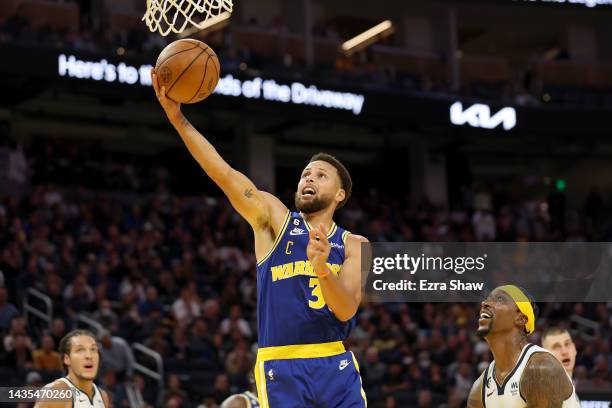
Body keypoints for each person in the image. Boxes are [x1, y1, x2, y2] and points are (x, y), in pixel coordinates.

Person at [152, 70, 367, 407]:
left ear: (340, 194)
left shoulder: (355, 244)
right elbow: (223, 173)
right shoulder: (274, 219)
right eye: (305, 174)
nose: (309, 178)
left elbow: (345, 310)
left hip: (333, 364)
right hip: (279, 365)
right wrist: (178, 119)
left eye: (321, 175)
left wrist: (323, 269)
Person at [467, 285, 580, 407]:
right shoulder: (480, 387)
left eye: (499, 299)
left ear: (521, 319)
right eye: (486, 299)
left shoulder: (541, 368)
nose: (485, 303)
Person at [35, 329, 109, 408]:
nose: (89, 356)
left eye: (93, 349)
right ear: (67, 359)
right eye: (80, 350)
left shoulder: (103, 396)